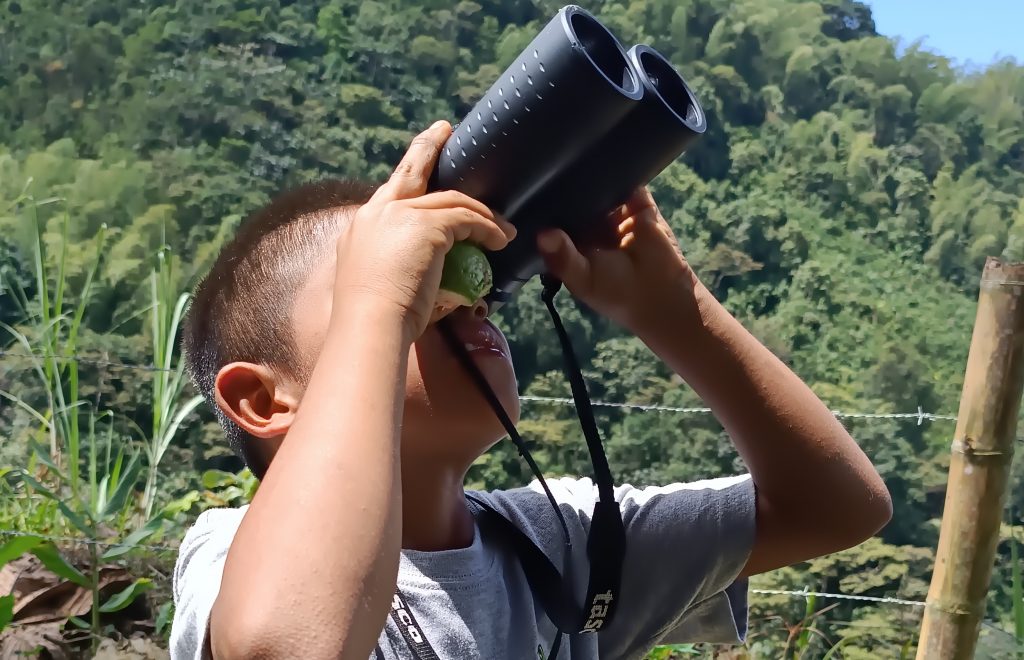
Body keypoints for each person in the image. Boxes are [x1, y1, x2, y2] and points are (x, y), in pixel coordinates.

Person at [169, 120, 892, 660]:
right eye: (403, 280)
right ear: (266, 401)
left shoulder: (557, 542)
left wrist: (676, 311)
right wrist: (380, 308)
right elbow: (291, 644)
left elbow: (836, 505)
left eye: (456, 279)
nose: (461, 302)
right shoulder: (235, 555)